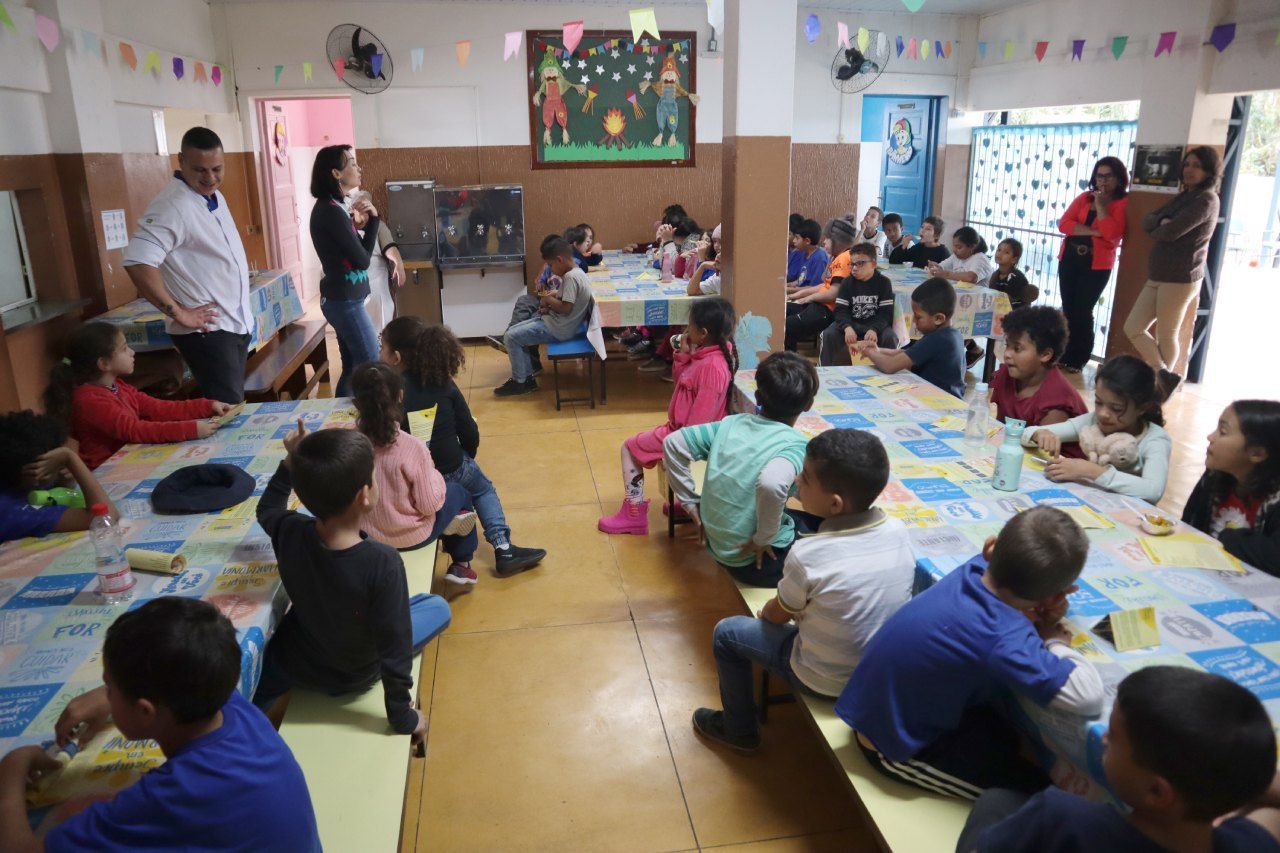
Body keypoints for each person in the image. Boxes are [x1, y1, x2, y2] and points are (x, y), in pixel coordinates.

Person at [0, 597, 320, 852]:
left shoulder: (166, 798)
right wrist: (105, 697)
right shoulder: (226, 702)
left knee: (70, 811)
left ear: (145, 711)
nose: (106, 695)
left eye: (110, 688)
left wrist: (13, 768)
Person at [835, 507, 1104, 799]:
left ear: (990, 548)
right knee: (1040, 798)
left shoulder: (976, 569)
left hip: (882, 704)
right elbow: (1087, 696)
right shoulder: (1004, 637)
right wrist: (1055, 640)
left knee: (1008, 732)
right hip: (891, 745)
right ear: (1055, 596)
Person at [691, 429, 914, 754]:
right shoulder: (898, 531)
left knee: (726, 634)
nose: (796, 479)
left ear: (835, 503)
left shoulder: (808, 555)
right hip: (875, 675)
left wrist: (770, 611)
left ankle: (738, 729)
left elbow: (775, 615)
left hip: (825, 679)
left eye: (806, 479)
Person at [252, 426, 449, 743]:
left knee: (265, 670)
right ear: (365, 494)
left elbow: (267, 509)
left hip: (300, 660)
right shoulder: (383, 563)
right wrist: (403, 716)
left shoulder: (290, 530)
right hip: (355, 671)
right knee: (436, 607)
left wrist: (291, 461)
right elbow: (394, 651)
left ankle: (247, 722)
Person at [959, 667, 1280, 853]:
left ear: (1156, 793)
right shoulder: (1251, 845)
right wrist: (1229, 776)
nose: (1103, 738)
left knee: (996, 800)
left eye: (1113, 736)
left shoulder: (1062, 818)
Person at [379, 317, 546, 577]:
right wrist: (467, 454)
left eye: (382, 347)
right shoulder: (443, 383)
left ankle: (451, 521)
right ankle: (503, 548)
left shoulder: (391, 392)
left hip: (413, 477)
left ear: (396, 357)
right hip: (453, 465)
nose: (379, 353)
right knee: (483, 488)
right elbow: (468, 429)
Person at [663, 351, 819, 588]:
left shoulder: (729, 424)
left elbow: (673, 443)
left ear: (757, 396)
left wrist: (691, 502)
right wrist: (762, 539)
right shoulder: (795, 446)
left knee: (803, 519)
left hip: (720, 547)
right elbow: (772, 484)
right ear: (809, 404)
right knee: (832, 536)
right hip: (755, 562)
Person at [122, 126, 253, 404]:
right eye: (200, 170)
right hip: (207, 332)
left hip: (232, 322)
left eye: (217, 168)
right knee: (228, 410)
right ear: (180, 161)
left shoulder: (212, 195)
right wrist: (178, 312)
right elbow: (137, 260)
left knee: (232, 405)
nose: (210, 177)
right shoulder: (173, 205)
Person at [599, 298, 737, 536]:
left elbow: (698, 424)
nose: (685, 330)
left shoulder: (712, 367)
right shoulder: (705, 355)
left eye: (689, 326)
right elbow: (680, 382)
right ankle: (686, 501)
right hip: (682, 430)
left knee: (629, 448)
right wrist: (683, 356)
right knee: (643, 443)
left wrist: (675, 439)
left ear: (703, 333)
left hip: (690, 436)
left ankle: (634, 514)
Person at [350, 362, 481, 587]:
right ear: (401, 396)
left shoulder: (348, 443)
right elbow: (429, 505)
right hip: (413, 536)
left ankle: (454, 523)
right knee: (459, 492)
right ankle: (462, 563)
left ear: (355, 403)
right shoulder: (413, 447)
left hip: (367, 535)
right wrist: (437, 478)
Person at [43, 322, 228, 470]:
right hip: (106, 472)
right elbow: (136, 430)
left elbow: (157, 408)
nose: (132, 353)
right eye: (124, 349)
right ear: (104, 363)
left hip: (129, 459)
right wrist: (192, 429)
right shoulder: (89, 400)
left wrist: (206, 406)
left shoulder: (116, 386)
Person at [1125, 146, 1222, 391]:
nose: (1189, 170)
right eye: (1187, 164)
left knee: (1167, 333)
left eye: (1197, 166)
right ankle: (1164, 375)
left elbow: (1170, 232)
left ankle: (1162, 384)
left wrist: (1161, 225)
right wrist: (1161, 222)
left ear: (1209, 171)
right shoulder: (1185, 195)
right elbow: (1149, 221)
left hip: (1181, 277)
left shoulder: (1207, 200)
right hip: (1158, 273)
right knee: (1133, 327)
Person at [1026, 354, 1172, 504]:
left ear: (1143, 408)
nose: (1103, 414)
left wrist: (1091, 471)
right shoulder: (1093, 420)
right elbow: (1026, 432)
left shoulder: (1155, 439)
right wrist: (1039, 434)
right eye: (1098, 402)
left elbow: (1154, 490)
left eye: (1116, 408)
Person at [308, 144, 381, 396]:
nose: (357, 167)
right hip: (344, 302)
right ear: (336, 173)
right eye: (351, 163)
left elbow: (354, 252)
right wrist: (374, 223)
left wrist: (363, 224)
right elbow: (362, 260)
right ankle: (358, 424)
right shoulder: (329, 211)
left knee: (353, 367)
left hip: (346, 300)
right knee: (371, 362)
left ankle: (341, 426)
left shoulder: (337, 207)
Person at [1182, 400, 1280, 575]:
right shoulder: (1214, 477)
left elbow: (1274, 557)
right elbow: (1189, 524)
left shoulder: (1275, 501)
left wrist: (1229, 537)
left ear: (1257, 453)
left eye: (1223, 432)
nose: (1210, 437)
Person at [496, 235, 595, 396]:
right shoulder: (577, 273)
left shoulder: (571, 277)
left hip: (559, 329)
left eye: (550, 265)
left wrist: (547, 299)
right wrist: (549, 304)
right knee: (511, 333)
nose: (550, 269)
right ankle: (525, 378)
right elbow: (567, 301)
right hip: (557, 322)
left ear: (559, 260)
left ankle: (521, 381)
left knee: (511, 337)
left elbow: (566, 308)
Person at [1057, 156, 1130, 373]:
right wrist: (1093, 231)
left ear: (1119, 179)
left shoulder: (1122, 203)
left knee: (1083, 309)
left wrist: (1100, 207)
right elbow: (1064, 224)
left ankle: (1079, 358)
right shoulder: (1084, 198)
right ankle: (1065, 353)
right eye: (1100, 175)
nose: (1103, 181)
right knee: (1068, 308)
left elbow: (1111, 234)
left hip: (1096, 265)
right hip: (1070, 259)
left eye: (1108, 176)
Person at [0, 410, 117, 544]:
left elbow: (59, 493)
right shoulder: (15, 512)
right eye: (53, 462)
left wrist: (64, 481)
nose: (58, 466)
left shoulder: (16, 478)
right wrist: (70, 458)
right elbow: (105, 518)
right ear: (33, 471)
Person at [856, 277, 967, 400]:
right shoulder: (952, 334)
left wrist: (868, 352)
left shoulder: (937, 340)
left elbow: (889, 366)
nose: (914, 321)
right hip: (947, 398)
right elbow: (907, 353)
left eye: (918, 317)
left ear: (938, 318)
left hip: (939, 402)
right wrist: (878, 350)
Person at [989, 307, 1087, 444]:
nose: (1007, 354)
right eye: (1007, 345)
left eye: (1017, 348)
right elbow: (1001, 428)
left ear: (1045, 355)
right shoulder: (1007, 374)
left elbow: (1045, 455)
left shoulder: (1055, 400)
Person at [784, 218, 857, 351]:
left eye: (828, 239)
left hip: (827, 311)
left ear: (838, 241)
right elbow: (824, 285)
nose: (824, 242)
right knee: (784, 309)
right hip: (819, 305)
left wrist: (808, 298)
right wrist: (799, 295)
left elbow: (833, 294)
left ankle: (790, 362)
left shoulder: (844, 258)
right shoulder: (836, 256)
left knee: (788, 325)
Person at [821, 241, 897, 366]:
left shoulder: (884, 283)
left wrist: (874, 329)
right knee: (828, 334)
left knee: (891, 337)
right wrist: (847, 327)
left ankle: (889, 370)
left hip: (874, 325)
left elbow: (886, 314)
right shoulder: (847, 283)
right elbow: (840, 310)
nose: (854, 268)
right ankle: (824, 371)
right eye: (852, 264)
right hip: (851, 324)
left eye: (860, 263)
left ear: (873, 263)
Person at [928, 226, 995, 287]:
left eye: (959, 247)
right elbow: (942, 267)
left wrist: (946, 274)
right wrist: (935, 267)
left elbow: (971, 278)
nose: (954, 250)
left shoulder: (981, 258)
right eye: (954, 246)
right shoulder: (956, 256)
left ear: (972, 247)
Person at [989, 238, 1033, 309]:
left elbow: (1010, 301)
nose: (1000, 254)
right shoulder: (995, 275)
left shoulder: (1016, 277)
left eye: (1006, 252)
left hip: (1017, 314)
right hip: (1000, 309)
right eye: (999, 250)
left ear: (1014, 259)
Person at [789, 218, 830, 290]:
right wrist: (786, 286)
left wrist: (788, 290)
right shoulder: (803, 253)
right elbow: (800, 281)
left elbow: (814, 288)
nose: (794, 240)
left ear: (807, 241)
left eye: (797, 238)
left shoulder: (820, 258)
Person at [786, 212, 806, 281]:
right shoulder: (788, 249)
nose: (785, 236)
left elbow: (790, 277)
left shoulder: (800, 252)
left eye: (789, 234)